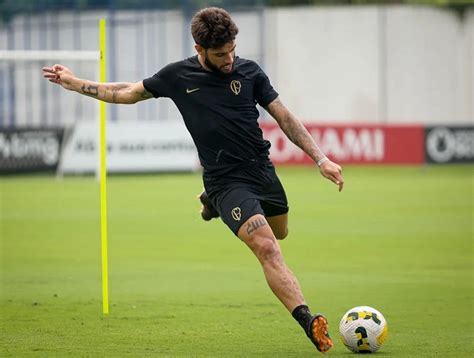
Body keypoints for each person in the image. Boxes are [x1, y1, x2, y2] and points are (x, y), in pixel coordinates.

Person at [42, 7, 344, 353]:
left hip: (262, 171)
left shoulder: (249, 72)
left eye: (232, 49)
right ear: (199, 49)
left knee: (280, 231)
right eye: (220, 54)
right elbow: (126, 91)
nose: (229, 58)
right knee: (266, 247)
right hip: (225, 181)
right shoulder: (178, 76)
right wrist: (75, 83)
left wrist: (320, 158)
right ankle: (308, 321)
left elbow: (284, 116)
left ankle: (210, 203)